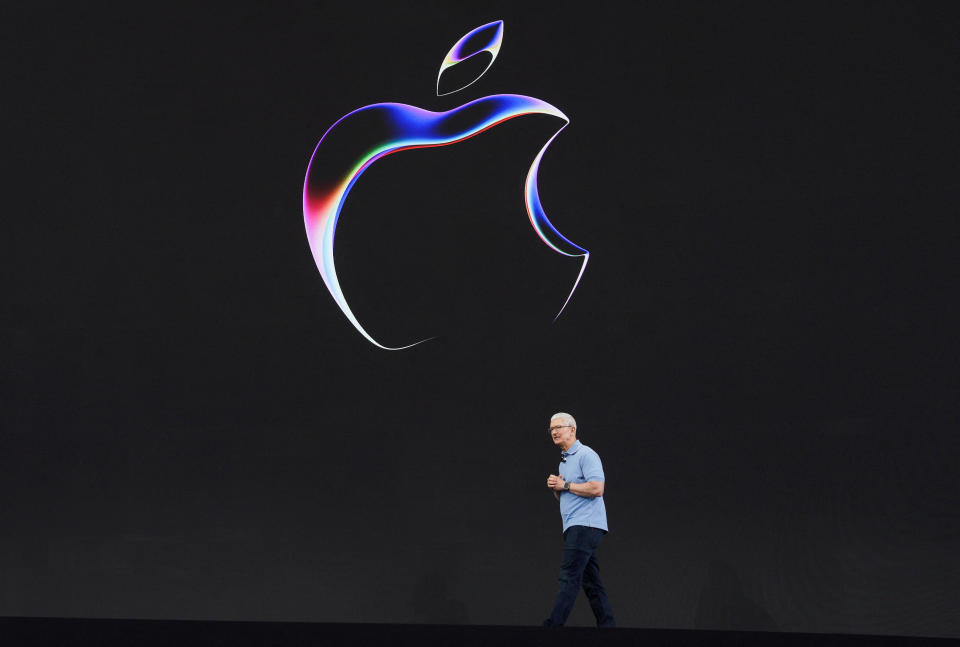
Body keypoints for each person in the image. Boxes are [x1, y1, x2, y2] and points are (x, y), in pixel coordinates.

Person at [543, 412, 616, 627]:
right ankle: (608, 626)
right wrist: (557, 487)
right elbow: (568, 497)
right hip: (576, 525)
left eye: (558, 427)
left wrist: (564, 485)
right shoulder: (564, 462)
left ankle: (553, 626)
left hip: (586, 525)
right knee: (591, 581)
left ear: (572, 429)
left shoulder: (586, 454)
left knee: (569, 576)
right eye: (551, 429)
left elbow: (597, 488)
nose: (554, 432)